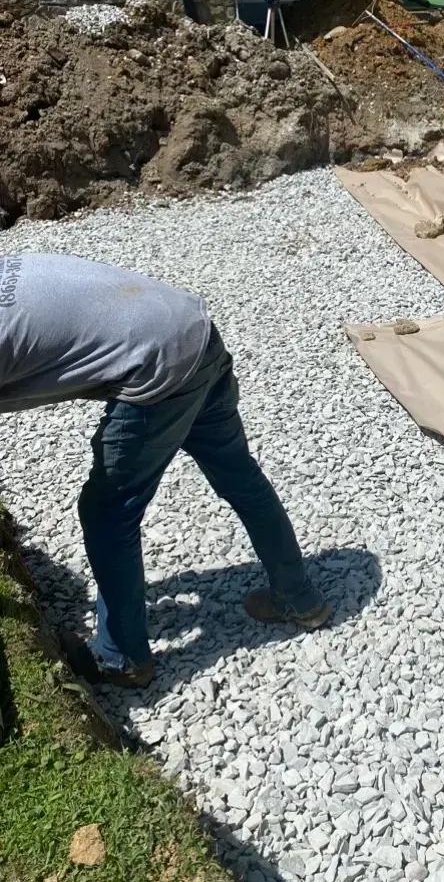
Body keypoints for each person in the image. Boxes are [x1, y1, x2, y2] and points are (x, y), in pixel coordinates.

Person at [0, 251, 331, 689]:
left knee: (108, 513)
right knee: (239, 475)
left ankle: (121, 659)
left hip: (157, 367)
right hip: (192, 330)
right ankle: (299, 596)